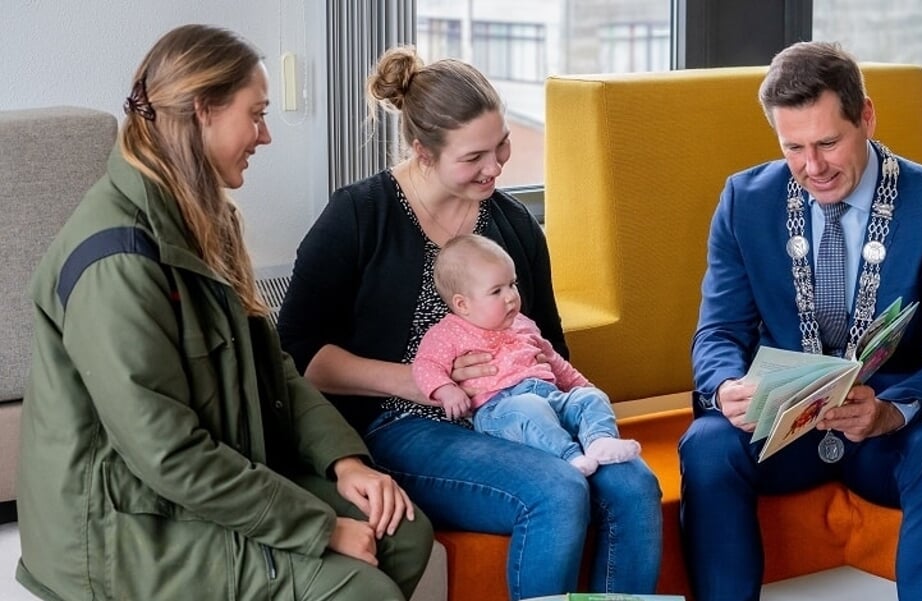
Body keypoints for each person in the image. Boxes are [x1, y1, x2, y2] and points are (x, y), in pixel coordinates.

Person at [15, 24, 433, 601]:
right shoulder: (120, 262)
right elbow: (169, 452)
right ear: (203, 111)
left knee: (403, 534)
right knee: (363, 590)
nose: (264, 135)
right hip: (126, 527)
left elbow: (276, 367)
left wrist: (345, 462)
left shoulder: (205, 220)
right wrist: (320, 527)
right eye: (256, 114)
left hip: (192, 487)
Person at [277, 46, 662, 600]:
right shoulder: (360, 216)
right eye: (474, 156)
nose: (496, 166)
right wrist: (416, 380)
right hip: (401, 425)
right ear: (423, 151)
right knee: (554, 490)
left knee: (632, 485)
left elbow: (551, 346)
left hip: (516, 413)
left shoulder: (512, 225)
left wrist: (567, 409)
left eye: (501, 144)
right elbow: (296, 355)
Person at [678, 41, 922, 601]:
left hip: (890, 429)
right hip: (780, 427)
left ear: (866, 116)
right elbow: (718, 331)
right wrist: (726, 385)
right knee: (707, 445)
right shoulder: (743, 199)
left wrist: (892, 412)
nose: (812, 167)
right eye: (793, 147)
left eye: (828, 142)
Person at [412, 234, 641, 477]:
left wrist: (583, 388)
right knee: (529, 407)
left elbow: (555, 362)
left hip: (548, 396)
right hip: (499, 410)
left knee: (591, 397)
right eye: (496, 291)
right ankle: (571, 456)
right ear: (462, 305)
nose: (511, 296)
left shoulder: (522, 323)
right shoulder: (449, 332)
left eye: (512, 284)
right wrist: (446, 389)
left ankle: (599, 442)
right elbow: (425, 364)